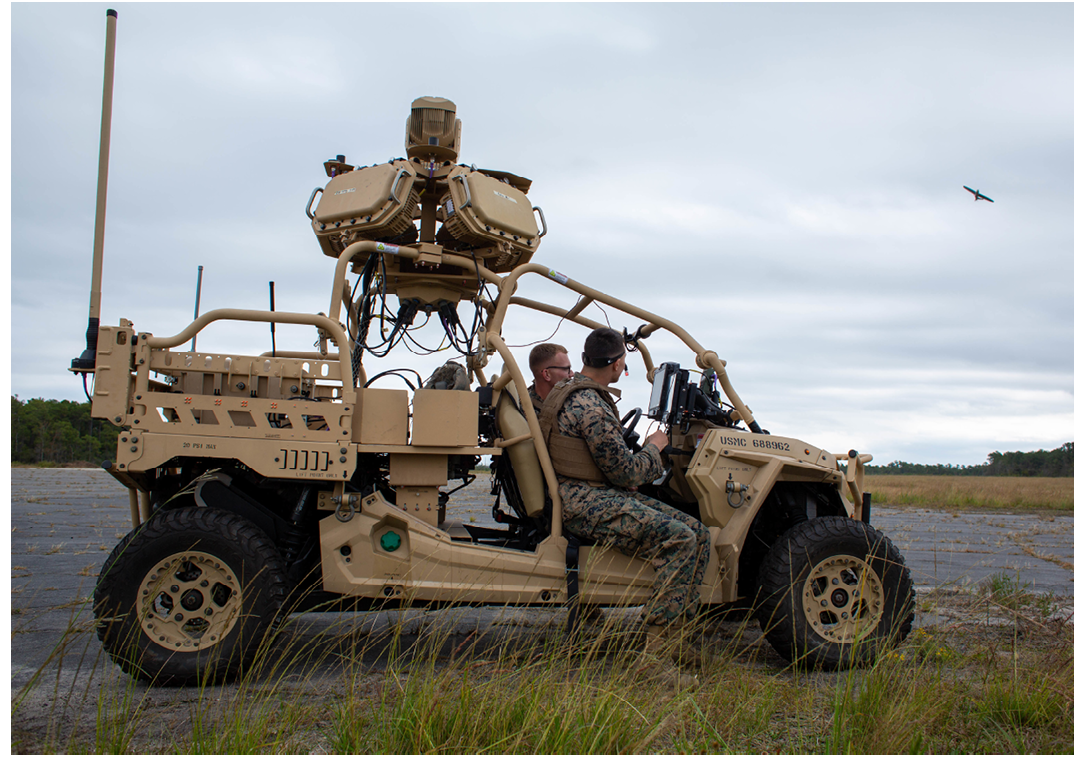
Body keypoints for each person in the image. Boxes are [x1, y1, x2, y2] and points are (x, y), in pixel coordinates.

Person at [539, 328, 711, 670]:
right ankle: (655, 655)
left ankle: (678, 637)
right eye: (623, 363)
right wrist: (656, 447)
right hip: (583, 500)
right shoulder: (592, 405)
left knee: (700, 534)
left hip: (586, 490)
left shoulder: (566, 390)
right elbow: (628, 473)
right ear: (617, 364)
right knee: (680, 539)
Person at [526, 343, 573, 413]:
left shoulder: (575, 402)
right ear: (547, 374)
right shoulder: (524, 410)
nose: (572, 374)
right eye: (566, 369)